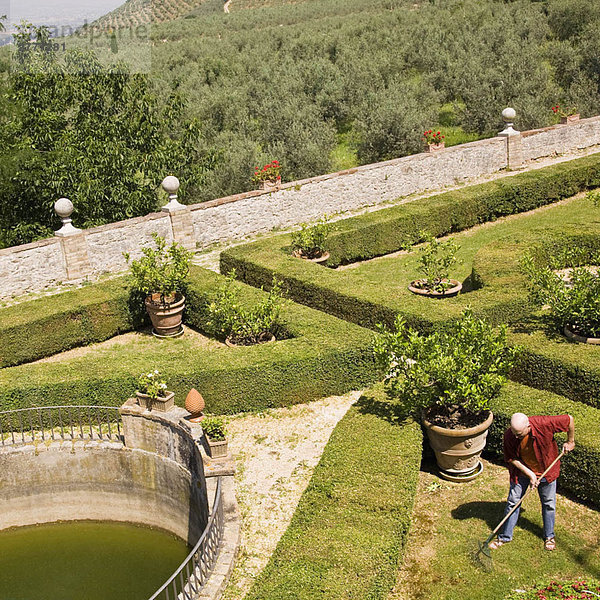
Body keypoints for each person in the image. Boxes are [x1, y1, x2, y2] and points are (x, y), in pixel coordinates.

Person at [489, 412, 575, 551]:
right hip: (521, 473)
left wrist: (570, 441)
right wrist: (530, 474)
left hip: (547, 471)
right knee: (513, 502)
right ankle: (504, 536)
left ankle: (549, 536)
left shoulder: (544, 424)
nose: (516, 437)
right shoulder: (510, 435)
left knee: (548, 504)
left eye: (519, 434)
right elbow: (511, 458)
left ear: (528, 426)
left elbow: (569, 419)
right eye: (514, 433)